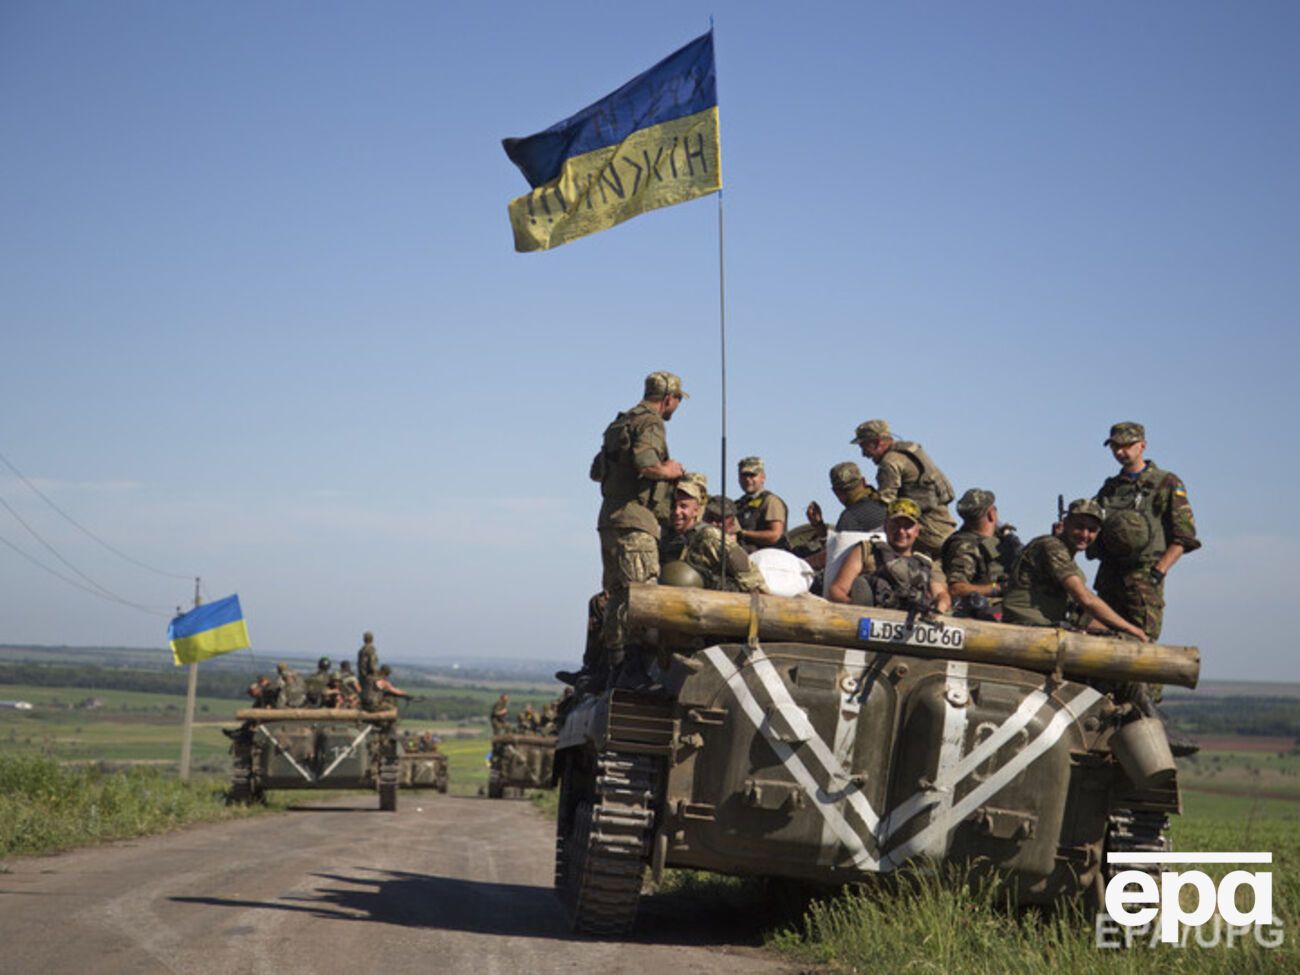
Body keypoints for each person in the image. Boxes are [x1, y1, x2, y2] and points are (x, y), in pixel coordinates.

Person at [589, 370, 688, 688]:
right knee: (641, 595)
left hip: (610, 520)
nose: (677, 407)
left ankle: (615, 669)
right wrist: (670, 470)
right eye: (677, 401)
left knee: (617, 596)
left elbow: (596, 471)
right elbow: (646, 464)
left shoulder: (620, 423)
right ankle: (632, 671)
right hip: (635, 522)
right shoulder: (651, 422)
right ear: (668, 398)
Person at [1088, 422, 1200, 641]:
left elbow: (1185, 535)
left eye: (1126, 446)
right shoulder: (1110, 488)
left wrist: (1158, 570)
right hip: (1109, 578)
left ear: (1142, 446)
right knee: (1095, 638)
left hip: (1143, 580)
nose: (1120, 452)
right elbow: (1093, 526)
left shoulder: (1165, 482)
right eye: (1115, 447)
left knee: (1141, 642)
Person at [1002, 498, 1150, 641]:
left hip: (1046, 628)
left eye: (1092, 530)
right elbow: (1085, 599)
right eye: (1079, 526)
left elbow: (1083, 613)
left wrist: (1122, 634)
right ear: (1066, 523)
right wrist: (1130, 628)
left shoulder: (1073, 568)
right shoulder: (1050, 546)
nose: (1085, 534)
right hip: (1026, 627)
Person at [851, 419, 956, 557]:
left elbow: (885, 505)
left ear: (877, 442)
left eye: (865, 447)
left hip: (928, 534)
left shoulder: (889, 463)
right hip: (944, 526)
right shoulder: (910, 451)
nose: (864, 454)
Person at [827, 498, 952, 612]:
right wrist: (856, 609)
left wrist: (939, 608)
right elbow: (837, 590)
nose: (901, 531)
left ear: (917, 531)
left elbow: (941, 594)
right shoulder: (867, 550)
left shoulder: (926, 563)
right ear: (886, 526)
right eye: (896, 524)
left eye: (907, 526)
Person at [660, 483, 768, 593]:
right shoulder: (667, 538)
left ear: (696, 511)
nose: (677, 512)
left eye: (683, 506)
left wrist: (758, 598)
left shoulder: (710, 536)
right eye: (673, 506)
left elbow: (749, 574)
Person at [941, 488, 1016, 617]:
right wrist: (998, 588)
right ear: (991, 514)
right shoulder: (965, 545)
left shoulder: (1002, 540)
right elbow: (956, 589)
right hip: (983, 615)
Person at [733, 456, 790, 552]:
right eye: (744, 475)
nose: (748, 479)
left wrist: (743, 533)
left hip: (768, 557)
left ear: (763, 477)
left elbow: (775, 535)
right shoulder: (737, 505)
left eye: (752, 475)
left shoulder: (770, 501)